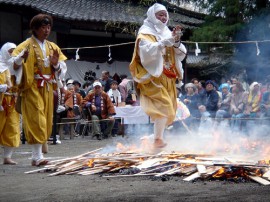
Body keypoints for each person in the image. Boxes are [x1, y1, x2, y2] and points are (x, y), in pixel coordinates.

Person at [12, 14, 67, 166]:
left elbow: (62, 68)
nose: (46, 30)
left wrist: (55, 65)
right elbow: (13, 67)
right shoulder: (25, 45)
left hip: (48, 87)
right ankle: (37, 156)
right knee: (37, 119)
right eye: (43, 27)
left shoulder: (53, 47)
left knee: (47, 119)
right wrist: (20, 59)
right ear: (35, 29)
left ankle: (37, 156)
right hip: (32, 87)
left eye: (48, 27)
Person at [129, 3, 187, 148]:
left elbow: (181, 54)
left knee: (169, 110)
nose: (163, 17)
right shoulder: (145, 32)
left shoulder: (167, 32)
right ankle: (156, 139)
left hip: (168, 76)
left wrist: (176, 41)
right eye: (159, 15)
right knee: (164, 105)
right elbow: (146, 52)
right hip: (152, 76)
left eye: (165, 15)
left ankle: (156, 139)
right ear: (152, 16)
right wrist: (163, 43)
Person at [0, 42, 21, 165]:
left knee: (12, 128)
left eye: (14, 51)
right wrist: (3, 87)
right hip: (1, 101)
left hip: (11, 102)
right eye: (10, 51)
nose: (12, 54)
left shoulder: (13, 67)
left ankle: (7, 157)